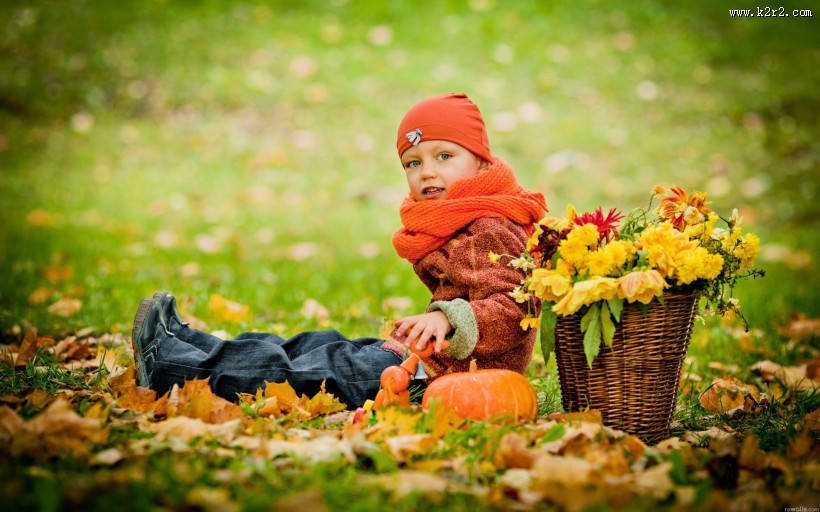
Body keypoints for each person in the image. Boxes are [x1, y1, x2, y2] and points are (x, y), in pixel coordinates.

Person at [131, 93, 547, 408]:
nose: (428, 171)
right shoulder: (464, 216)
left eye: (444, 155)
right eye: (413, 163)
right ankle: (191, 343)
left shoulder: (492, 224)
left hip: (446, 380)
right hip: (422, 360)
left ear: (479, 162)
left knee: (312, 371)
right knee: (315, 344)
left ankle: (173, 368)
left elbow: (515, 309)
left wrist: (449, 319)